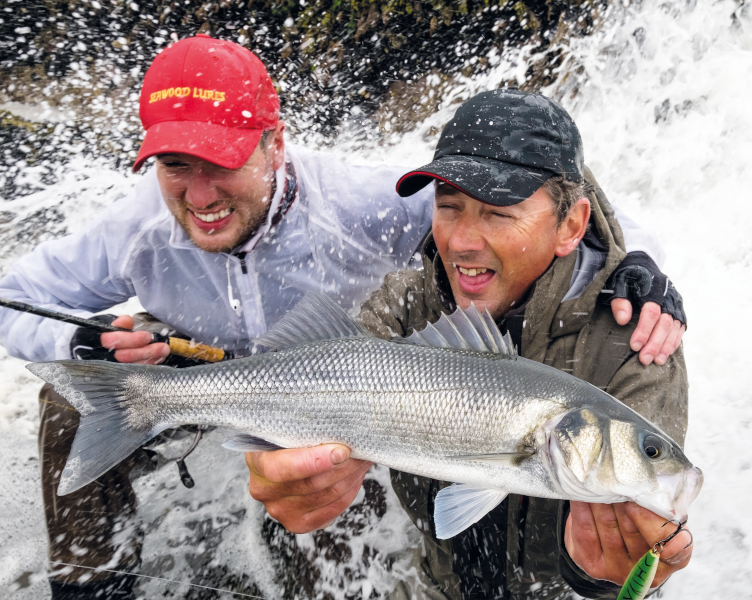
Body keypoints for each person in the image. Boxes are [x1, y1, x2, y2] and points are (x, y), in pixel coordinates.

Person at [0, 36, 682, 599]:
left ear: (275, 143)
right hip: (201, 368)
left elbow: (531, 198)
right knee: (67, 402)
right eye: (176, 166)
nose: (200, 193)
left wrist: (635, 267)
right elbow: (13, 297)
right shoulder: (130, 229)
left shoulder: (365, 201)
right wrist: (83, 337)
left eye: (223, 162)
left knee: (324, 520)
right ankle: (91, 585)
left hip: (349, 389)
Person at [247, 89, 692, 599]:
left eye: (499, 213)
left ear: (571, 225)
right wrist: (283, 475)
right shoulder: (407, 303)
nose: (460, 241)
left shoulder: (638, 337)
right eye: (449, 206)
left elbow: (638, 559)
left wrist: (595, 576)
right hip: (436, 583)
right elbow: (311, 385)